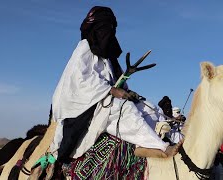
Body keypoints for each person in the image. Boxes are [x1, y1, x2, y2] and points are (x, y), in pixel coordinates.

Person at [50, 6, 181, 163]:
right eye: (105, 28)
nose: (109, 32)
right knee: (126, 108)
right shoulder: (84, 48)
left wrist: (127, 91)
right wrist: (111, 90)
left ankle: (179, 139)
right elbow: (79, 80)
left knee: (149, 107)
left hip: (105, 98)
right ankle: (161, 147)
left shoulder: (108, 57)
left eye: (111, 29)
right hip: (87, 105)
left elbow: (116, 82)